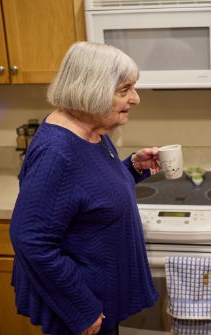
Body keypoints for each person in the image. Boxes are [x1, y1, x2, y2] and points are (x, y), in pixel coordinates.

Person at [9, 41, 161, 335]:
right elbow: (31, 239)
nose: (136, 98)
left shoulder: (91, 130)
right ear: (92, 90)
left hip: (100, 296)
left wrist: (132, 168)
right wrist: (81, 308)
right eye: (124, 89)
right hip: (84, 307)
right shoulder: (57, 152)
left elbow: (90, 193)